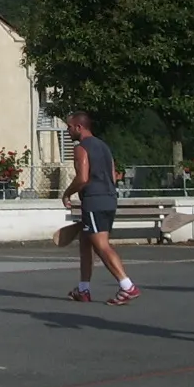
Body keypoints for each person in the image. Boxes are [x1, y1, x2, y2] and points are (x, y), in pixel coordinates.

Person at [59, 112, 140, 306]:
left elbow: (82, 178)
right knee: (86, 243)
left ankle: (127, 286)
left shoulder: (81, 148)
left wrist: (67, 193)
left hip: (94, 201)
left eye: (69, 127)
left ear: (79, 127)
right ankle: (83, 289)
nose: (68, 131)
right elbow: (112, 176)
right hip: (109, 198)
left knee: (102, 246)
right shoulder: (104, 146)